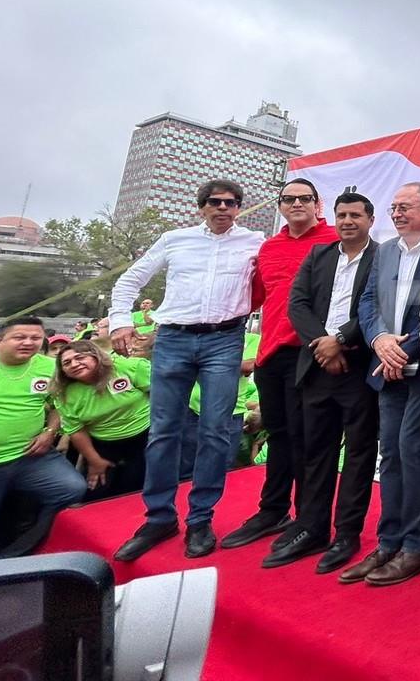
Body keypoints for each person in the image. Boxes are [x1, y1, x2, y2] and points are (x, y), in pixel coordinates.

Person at [109, 178, 262, 562]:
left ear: (239, 207)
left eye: (231, 203)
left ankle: (200, 519)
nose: (223, 208)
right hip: (173, 338)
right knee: (163, 431)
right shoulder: (174, 239)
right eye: (215, 202)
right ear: (201, 207)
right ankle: (159, 517)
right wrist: (119, 322)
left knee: (216, 430)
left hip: (225, 339)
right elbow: (131, 279)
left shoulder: (254, 241)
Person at [261, 192, 380, 575]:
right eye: (341, 214)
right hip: (316, 367)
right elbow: (297, 304)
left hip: (358, 367)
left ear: (370, 219)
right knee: (315, 451)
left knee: (359, 454)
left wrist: (341, 341)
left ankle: (347, 532)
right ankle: (311, 527)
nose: (347, 221)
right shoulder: (319, 256)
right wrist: (322, 346)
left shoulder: (383, 257)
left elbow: (377, 309)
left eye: (355, 215)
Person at [222, 178, 339, 551]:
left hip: (313, 353)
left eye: (305, 198)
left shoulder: (337, 239)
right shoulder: (268, 248)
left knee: (311, 441)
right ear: (280, 206)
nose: (297, 204)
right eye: (289, 199)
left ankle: (310, 521)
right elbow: (251, 300)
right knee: (279, 435)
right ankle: (273, 511)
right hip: (270, 356)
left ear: (318, 205)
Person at [342, 182, 420, 586]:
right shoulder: (384, 252)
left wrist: (404, 351)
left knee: (411, 449)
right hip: (385, 364)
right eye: (394, 208)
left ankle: (419, 545)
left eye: (406, 207)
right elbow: (367, 302)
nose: (397, 214)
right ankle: (390, 541)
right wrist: (380, 341)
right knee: (390, 454)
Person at [0, 317, 87, 560]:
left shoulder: (50, 368)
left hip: (31, 457)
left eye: (35, 338)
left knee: (72, 489)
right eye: (20, 337)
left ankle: (15, 556)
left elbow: (57, 406)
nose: (28, 342)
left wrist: (49, 432)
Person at [52, 340, 151, 500]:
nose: (74, 364)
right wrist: (94, 460)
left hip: (147, 437)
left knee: (136, 488)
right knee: (96, 491)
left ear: (96, 356)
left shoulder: (127, 367)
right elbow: (76, 431)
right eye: (67, 363)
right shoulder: (64, 394)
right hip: (103, 445)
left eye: (80, 358)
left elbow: (161, 394)